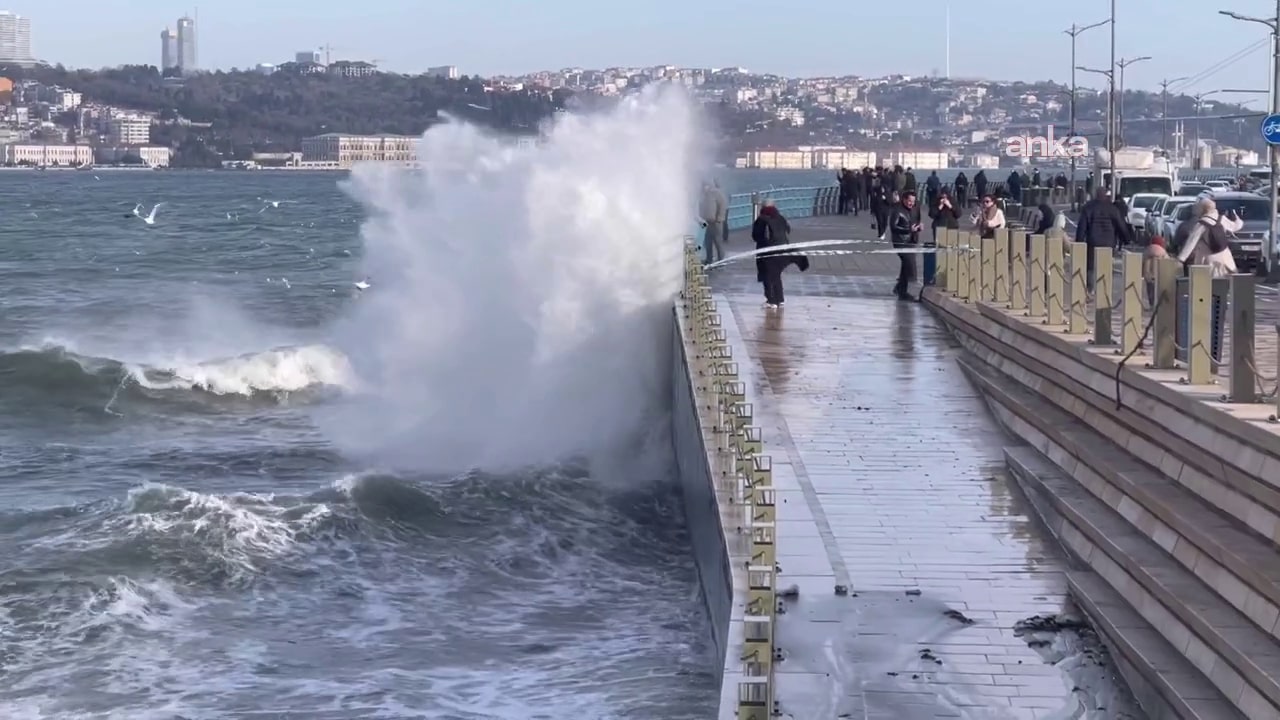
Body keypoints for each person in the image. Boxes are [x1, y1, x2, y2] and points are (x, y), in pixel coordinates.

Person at [751, 199, 808, 308]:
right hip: (783, 251)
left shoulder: (761, 220)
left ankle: (771, 300)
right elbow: (788, 230)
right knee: (776, 275)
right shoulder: (780, 217)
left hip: (767, 252)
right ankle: (780, 299)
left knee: (767, 276)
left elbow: (755, 236)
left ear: (762, 208)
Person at [1075, 188, 1130, 290]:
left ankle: (1090, 290)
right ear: (1106, 195)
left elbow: (1082, 227)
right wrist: (1126, 239)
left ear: (1096, 195)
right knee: (1106, 267)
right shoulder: (1112, 208)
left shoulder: (1088, 207)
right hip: (1108, 242)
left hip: (1093, 241)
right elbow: (1120, 225)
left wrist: (1079, 242)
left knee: (1090, 267)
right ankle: (1104, 290)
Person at [1176, 197, 1243, 278]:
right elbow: (1236, 226)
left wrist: (1181, 259)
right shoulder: (1221, 219)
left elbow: (1191, 242)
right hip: (1224, 258)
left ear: (1203, 209)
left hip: (1207, 259)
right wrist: (1237, 218)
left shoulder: (1202, 224)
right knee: (1226, 282)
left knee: (1208, 284)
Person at [889, 190, 923, 300]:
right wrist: (908, 229)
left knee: (906, 264)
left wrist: (919, 227)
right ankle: (908, 291)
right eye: (909, 201)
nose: (911, 203)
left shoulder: (915, 208)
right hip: (901, 241)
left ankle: (900, 288)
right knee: (910, 264)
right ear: (904, 200)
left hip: (912, 240)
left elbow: (917, 220)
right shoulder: (897, 210)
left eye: (913, 201)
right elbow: (893, 227)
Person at [698, 180, 727, 264]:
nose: (704, 188)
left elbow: (722, 204)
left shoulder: (716, 193)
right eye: (703, 186)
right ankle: (709, 259)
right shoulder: (703, 195)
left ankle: (721, 259)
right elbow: (701, 206)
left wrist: (719, 218)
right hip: (707, 222)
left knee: (718, 241)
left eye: (705, 186)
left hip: (716, 222)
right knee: (708, 242)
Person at [1143, 236, 1168, 305]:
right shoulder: (1163, 252)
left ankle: (1151, 304)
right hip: (1159, 275)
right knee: (1159, 290)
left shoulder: (1147, 251)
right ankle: (1159, 305)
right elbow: (1168, 263)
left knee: (1150, 290)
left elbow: (1142, 262)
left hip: (1148, 275)